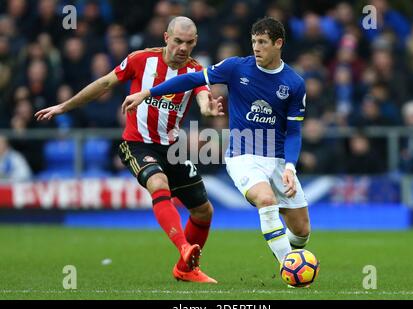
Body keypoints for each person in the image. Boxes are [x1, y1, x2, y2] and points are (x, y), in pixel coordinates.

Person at [35, 16, 224, 284]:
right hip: (136, 143)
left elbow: (204, 98)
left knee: (204, 211)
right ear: (166, 38)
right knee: (159, 183)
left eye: (189, 42)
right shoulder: (140, 59)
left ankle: (186, 269)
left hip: (172, 147)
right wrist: (64, 106)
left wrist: (208, 109)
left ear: (195, 42)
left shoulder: (196, 71)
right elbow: (103, 84)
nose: (183, 47)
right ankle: (184, 248)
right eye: (178, 41)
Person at [122, 17, 312, 276]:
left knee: (301, 231)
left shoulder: (294, 83)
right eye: (254, 41)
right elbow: (191, 80)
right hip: (243, 155)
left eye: (263, 42)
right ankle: (289, 267)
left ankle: (288, 252)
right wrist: (148, 93)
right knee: (265, 200)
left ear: (278, 43)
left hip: (277, 158)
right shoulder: (236, 68)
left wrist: (290, 166)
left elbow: (293, 132)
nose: (256, 47)